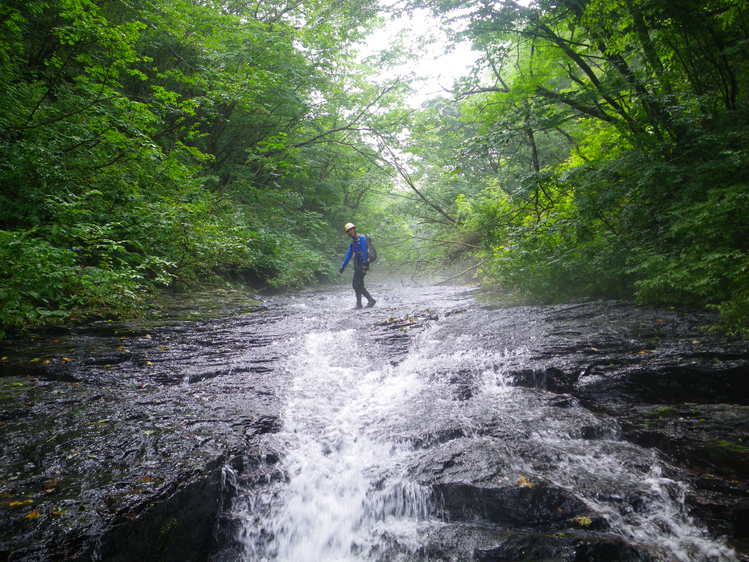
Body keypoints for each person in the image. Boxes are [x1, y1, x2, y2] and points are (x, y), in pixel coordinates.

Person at [339, 222, 376, 309]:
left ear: (354, 229)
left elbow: (364, 252)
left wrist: (364, 265)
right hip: (357, 264)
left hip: (363, 264)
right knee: (359, 284)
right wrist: (342, 266)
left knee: (356, 284)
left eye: (351, 230)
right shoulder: (353, 243)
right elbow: (348, 255)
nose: (350, 232)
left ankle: (370, 300)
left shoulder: (362, 238)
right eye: (348, 231)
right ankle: (359, 304)